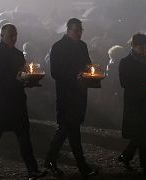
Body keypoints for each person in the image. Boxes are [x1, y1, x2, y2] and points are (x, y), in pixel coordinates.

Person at [0, 23, 46, 180]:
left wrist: (30, 81)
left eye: (15, 35)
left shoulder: (18, 54)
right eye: (11, 35)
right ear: (2, 35)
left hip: (16, 101)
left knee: (24, 136)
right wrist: (16, 79)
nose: (14, 38)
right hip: (1, 101)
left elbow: (23, 75)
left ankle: (32, 170)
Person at [44, 18, 98, 178]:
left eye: (80, 30)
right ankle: (80, 166)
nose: (79, 33)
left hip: (79, 94)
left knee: (69, 130)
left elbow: (88, 65)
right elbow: (55, 72)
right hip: (67, 94)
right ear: (68, 30)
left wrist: (90, 73)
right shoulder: (58, 47)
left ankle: (52, 160)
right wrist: (76, 76)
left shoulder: (82, 46)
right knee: (68, 129)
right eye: (76, 30)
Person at [118, 33, 146, 178]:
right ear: (133, 46)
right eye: (141, 47)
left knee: (143, 135)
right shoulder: (125, 62)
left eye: (145, 46)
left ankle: (127, 155)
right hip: (135, 103)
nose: (144, 49)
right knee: (143, 135)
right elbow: (124, 82)